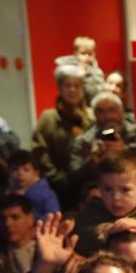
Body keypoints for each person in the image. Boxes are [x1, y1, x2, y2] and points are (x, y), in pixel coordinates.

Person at [74, 152, 136, 260]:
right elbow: (78, 242)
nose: (116, 197)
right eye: (108, 189)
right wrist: (106, 230)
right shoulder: (92, 211)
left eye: (125, 190)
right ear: (99, 191)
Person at [32, 65, 93, 199]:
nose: (73, 90)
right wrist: (55, 177)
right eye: (68, 85)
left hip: (87, 184)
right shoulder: (49, 117)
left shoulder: (90, 117)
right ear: (60, 88)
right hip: (57, 186)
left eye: (77, 86)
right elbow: (39, 150)